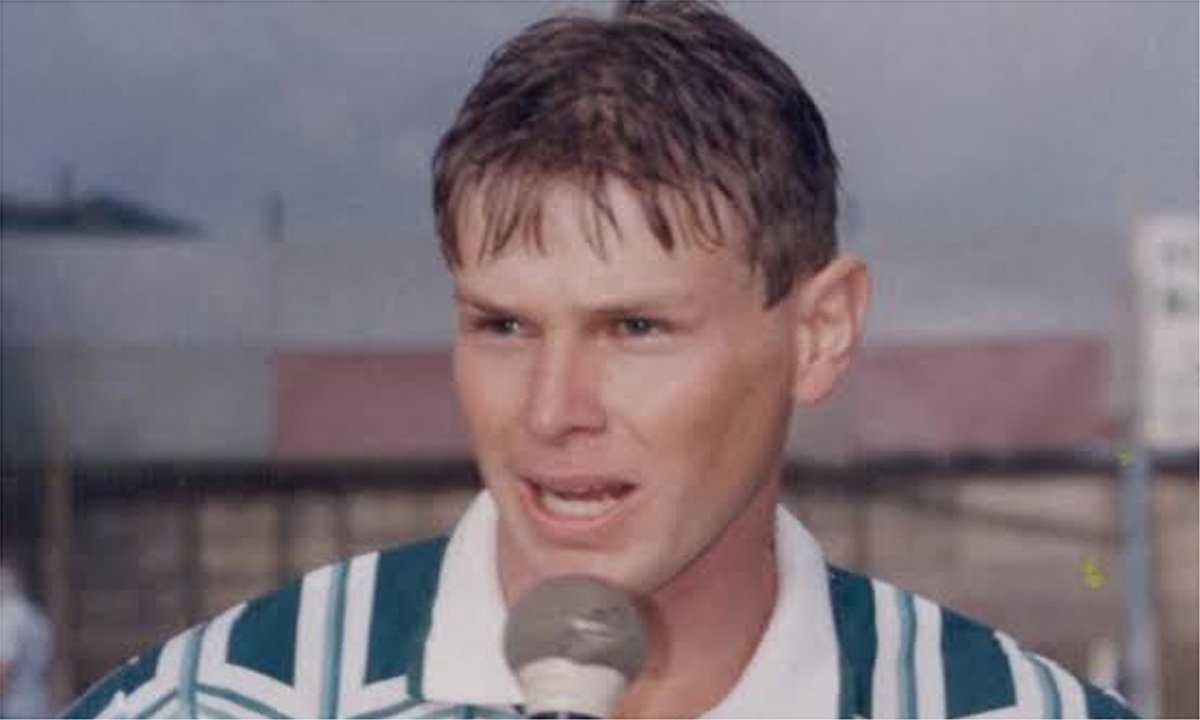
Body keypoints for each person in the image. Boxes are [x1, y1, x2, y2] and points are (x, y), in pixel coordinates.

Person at [65, 1, 1136, 717]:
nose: (551, 412)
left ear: (819, 332)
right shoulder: (216, 703)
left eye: (635, 330)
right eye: (504, 326)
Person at [0, 562, 53, 719]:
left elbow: (4, 668)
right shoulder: (36, 616)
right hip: (37, 705)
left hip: (12, 710)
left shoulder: (7, 617)